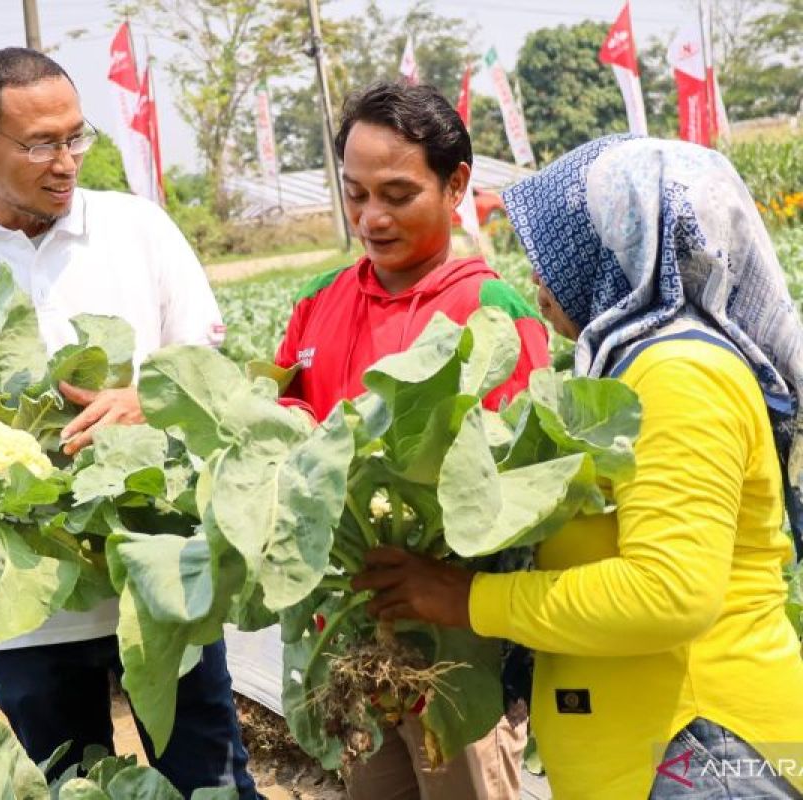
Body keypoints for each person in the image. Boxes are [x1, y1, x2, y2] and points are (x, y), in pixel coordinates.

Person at [0, 47, 258, 799]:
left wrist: (147, 403)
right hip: (21, 607)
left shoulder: (142, 231)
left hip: (160, 580)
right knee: (73, 786)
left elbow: (215, 379)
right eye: (40, 143)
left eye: (76, 138)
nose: (65, 162)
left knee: (211, 781)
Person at [352, 134, 803, 799]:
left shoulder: (679, 373)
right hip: (658, 756)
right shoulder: (632, 364)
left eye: (551, 248)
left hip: (700, 753)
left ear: (613, 249)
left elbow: (669, 592)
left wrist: (466, 600)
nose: (534, 274)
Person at [274, 81, 549, 800]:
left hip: (457, 648)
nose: (371, 217)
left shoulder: (488, 310)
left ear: (456, 184)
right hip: (349, 641)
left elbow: (515, 488)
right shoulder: (317, 303)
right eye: (355, 193)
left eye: (397, 194)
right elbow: (274, 440)